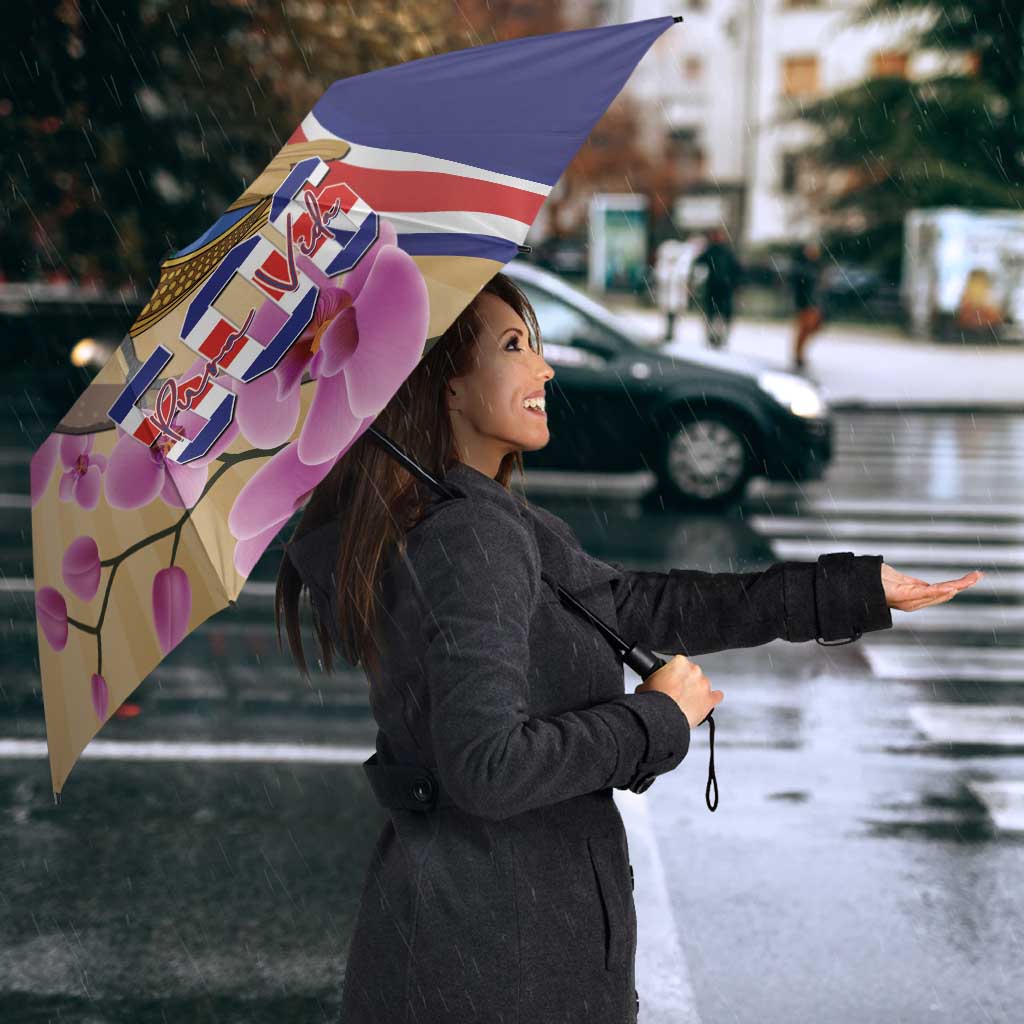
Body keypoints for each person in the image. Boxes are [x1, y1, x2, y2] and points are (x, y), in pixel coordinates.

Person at [277, 272, 981, 1024]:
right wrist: (655, 719)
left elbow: (644, 606)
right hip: (496, 963)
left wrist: (849, 590)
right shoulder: (470, 537)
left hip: (480, 944)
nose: (544, 368)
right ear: (446, 387)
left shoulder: (481, 520)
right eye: (515, 346)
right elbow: (487, 767)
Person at [692, 226, 742, 349]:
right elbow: (698, 264)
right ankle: (713, 337)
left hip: (723, 288)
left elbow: (736, 270)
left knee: (720, 315)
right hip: (715, 288)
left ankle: (719, 337)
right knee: (713, 314)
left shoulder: (725, 252)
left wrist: (735, 284)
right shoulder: (712, 251)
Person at [790, 239, 826, 370]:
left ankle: (799, 354)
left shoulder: (817, 266)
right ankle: (798, 355)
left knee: (812, 328)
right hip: (805, 303)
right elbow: (799, 286)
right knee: (804, 329)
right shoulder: (802, 267)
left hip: (814, 303)